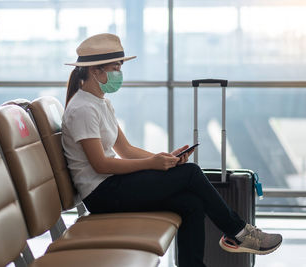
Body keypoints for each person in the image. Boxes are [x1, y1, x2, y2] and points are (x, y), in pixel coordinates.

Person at [61, 33, 282, 267]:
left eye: (120, 67)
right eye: (115, 67)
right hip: (102, 194)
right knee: (191, 173)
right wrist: (152, 163)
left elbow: (125, 149)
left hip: (112, 185)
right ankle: (238, 233)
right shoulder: (83, 109)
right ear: (95, 71)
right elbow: (101, 165)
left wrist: (165, 159)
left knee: (191, 204)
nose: (119, 74)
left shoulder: (101, 102)